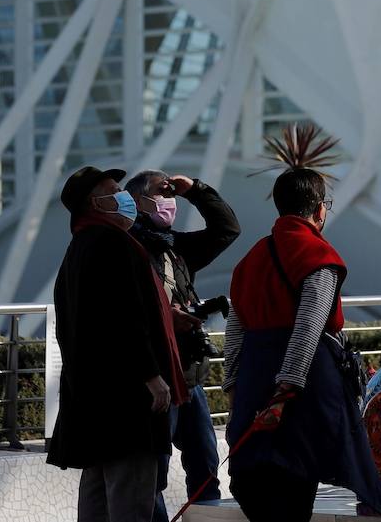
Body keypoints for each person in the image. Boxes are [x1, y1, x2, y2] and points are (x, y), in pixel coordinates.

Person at [222, 158, 381, 521]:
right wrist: (287, 387)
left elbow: (236, 326)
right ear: (317, 210)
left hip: (254, 378)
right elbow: (310, 325)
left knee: (259, 477)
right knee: (296, 482)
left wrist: (234, 386)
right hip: (302, 387)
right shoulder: (317, 255)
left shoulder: (250, 259)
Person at [48, 165, 189, 522]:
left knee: (96, 492)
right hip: (126, 402)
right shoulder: (115, 245)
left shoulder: (77, 249)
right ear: (97, 203)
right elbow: (124, 317)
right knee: (131, 496)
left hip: (92, 400)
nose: (124, 196)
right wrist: (151, 376)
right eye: (114, 190)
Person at [124, 170, 240, 519]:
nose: (169, 200)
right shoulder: (130, 252)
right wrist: (166, 318)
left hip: (189, 376)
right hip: (156, 379)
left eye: (171, 193)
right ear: (139, 203)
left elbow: (227, 230)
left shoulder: (174, 248)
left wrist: (197, 191)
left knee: (206, 469)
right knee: (153, 476)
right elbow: (126, 315)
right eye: (162, 193)